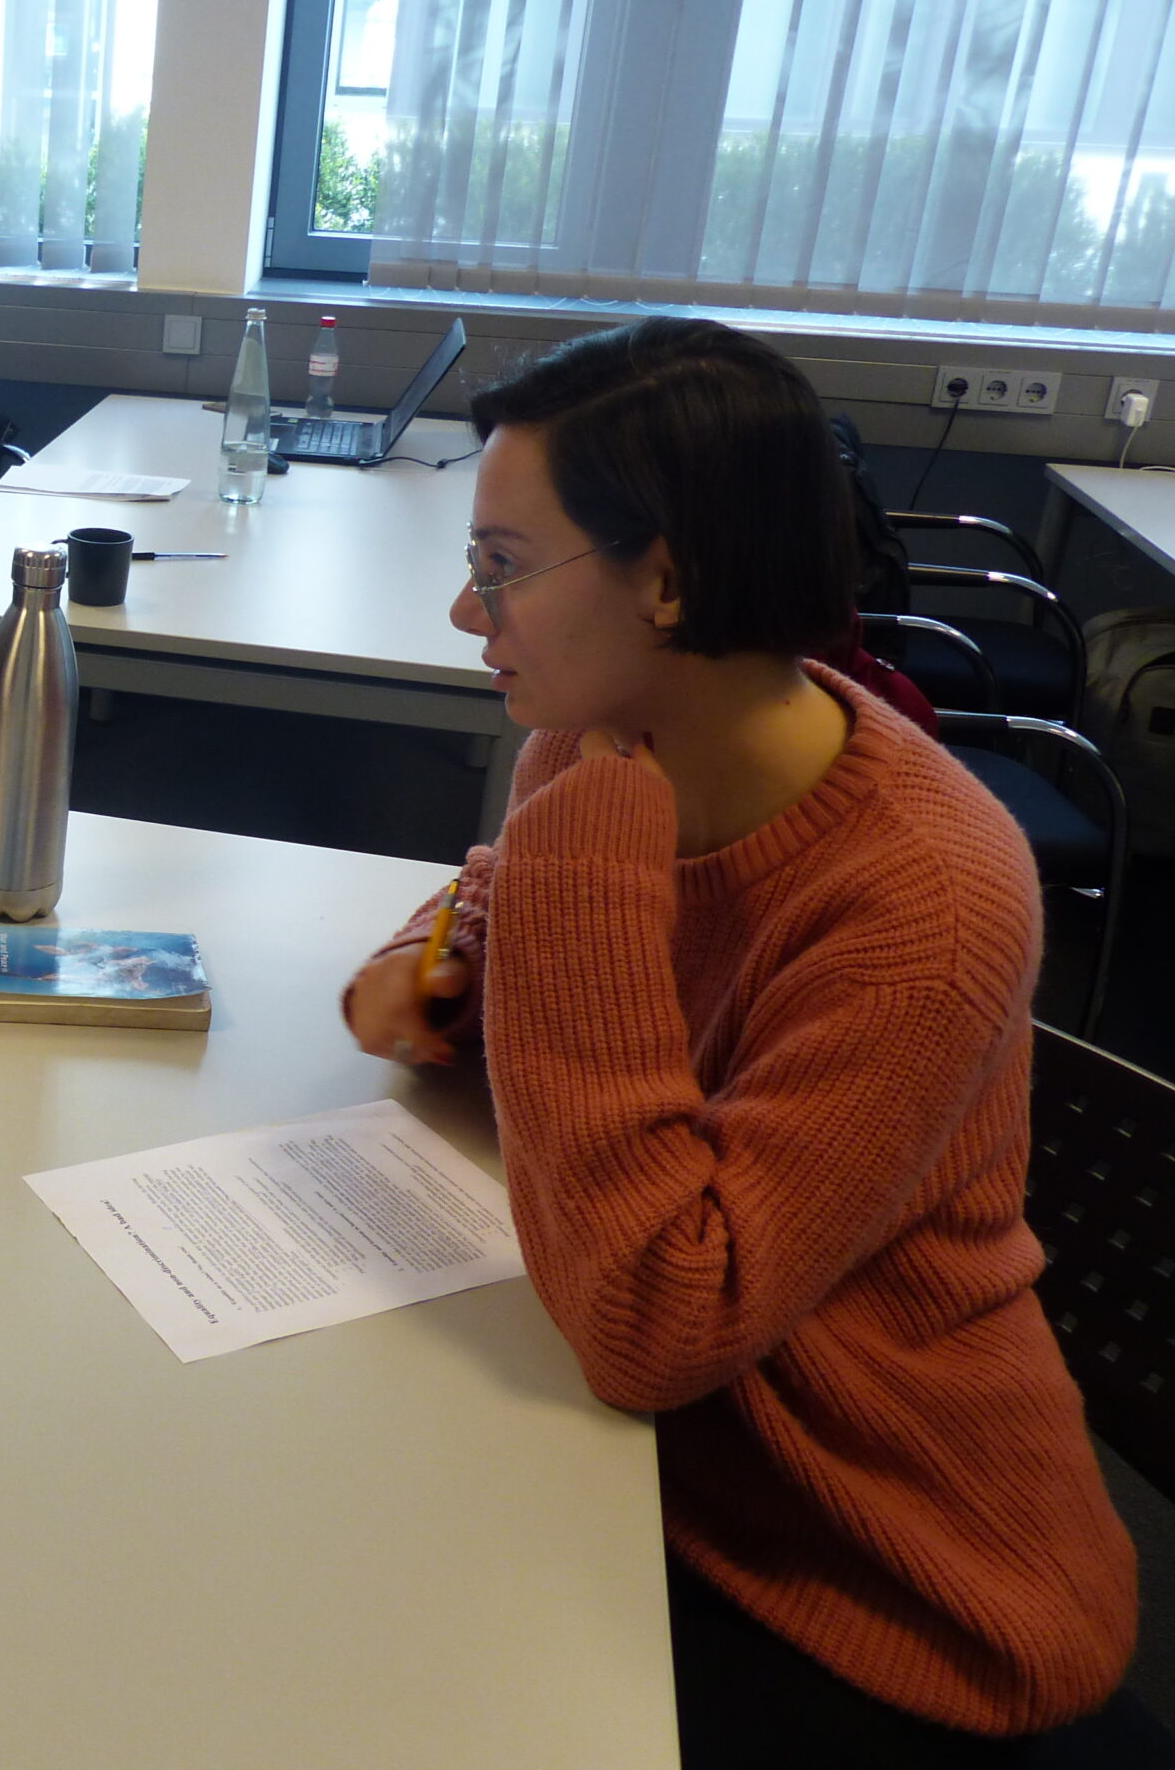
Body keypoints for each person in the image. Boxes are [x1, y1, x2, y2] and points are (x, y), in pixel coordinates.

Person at [341, 320, 1163, 1765]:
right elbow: (520, 987)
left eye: (501, 568)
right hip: (663, 1474)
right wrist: (454, 977)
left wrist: (569, 890)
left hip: (891, 1577)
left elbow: (660, 1319)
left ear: (665, 578)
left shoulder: (928, 892)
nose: (472, 619)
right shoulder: (595, 744)